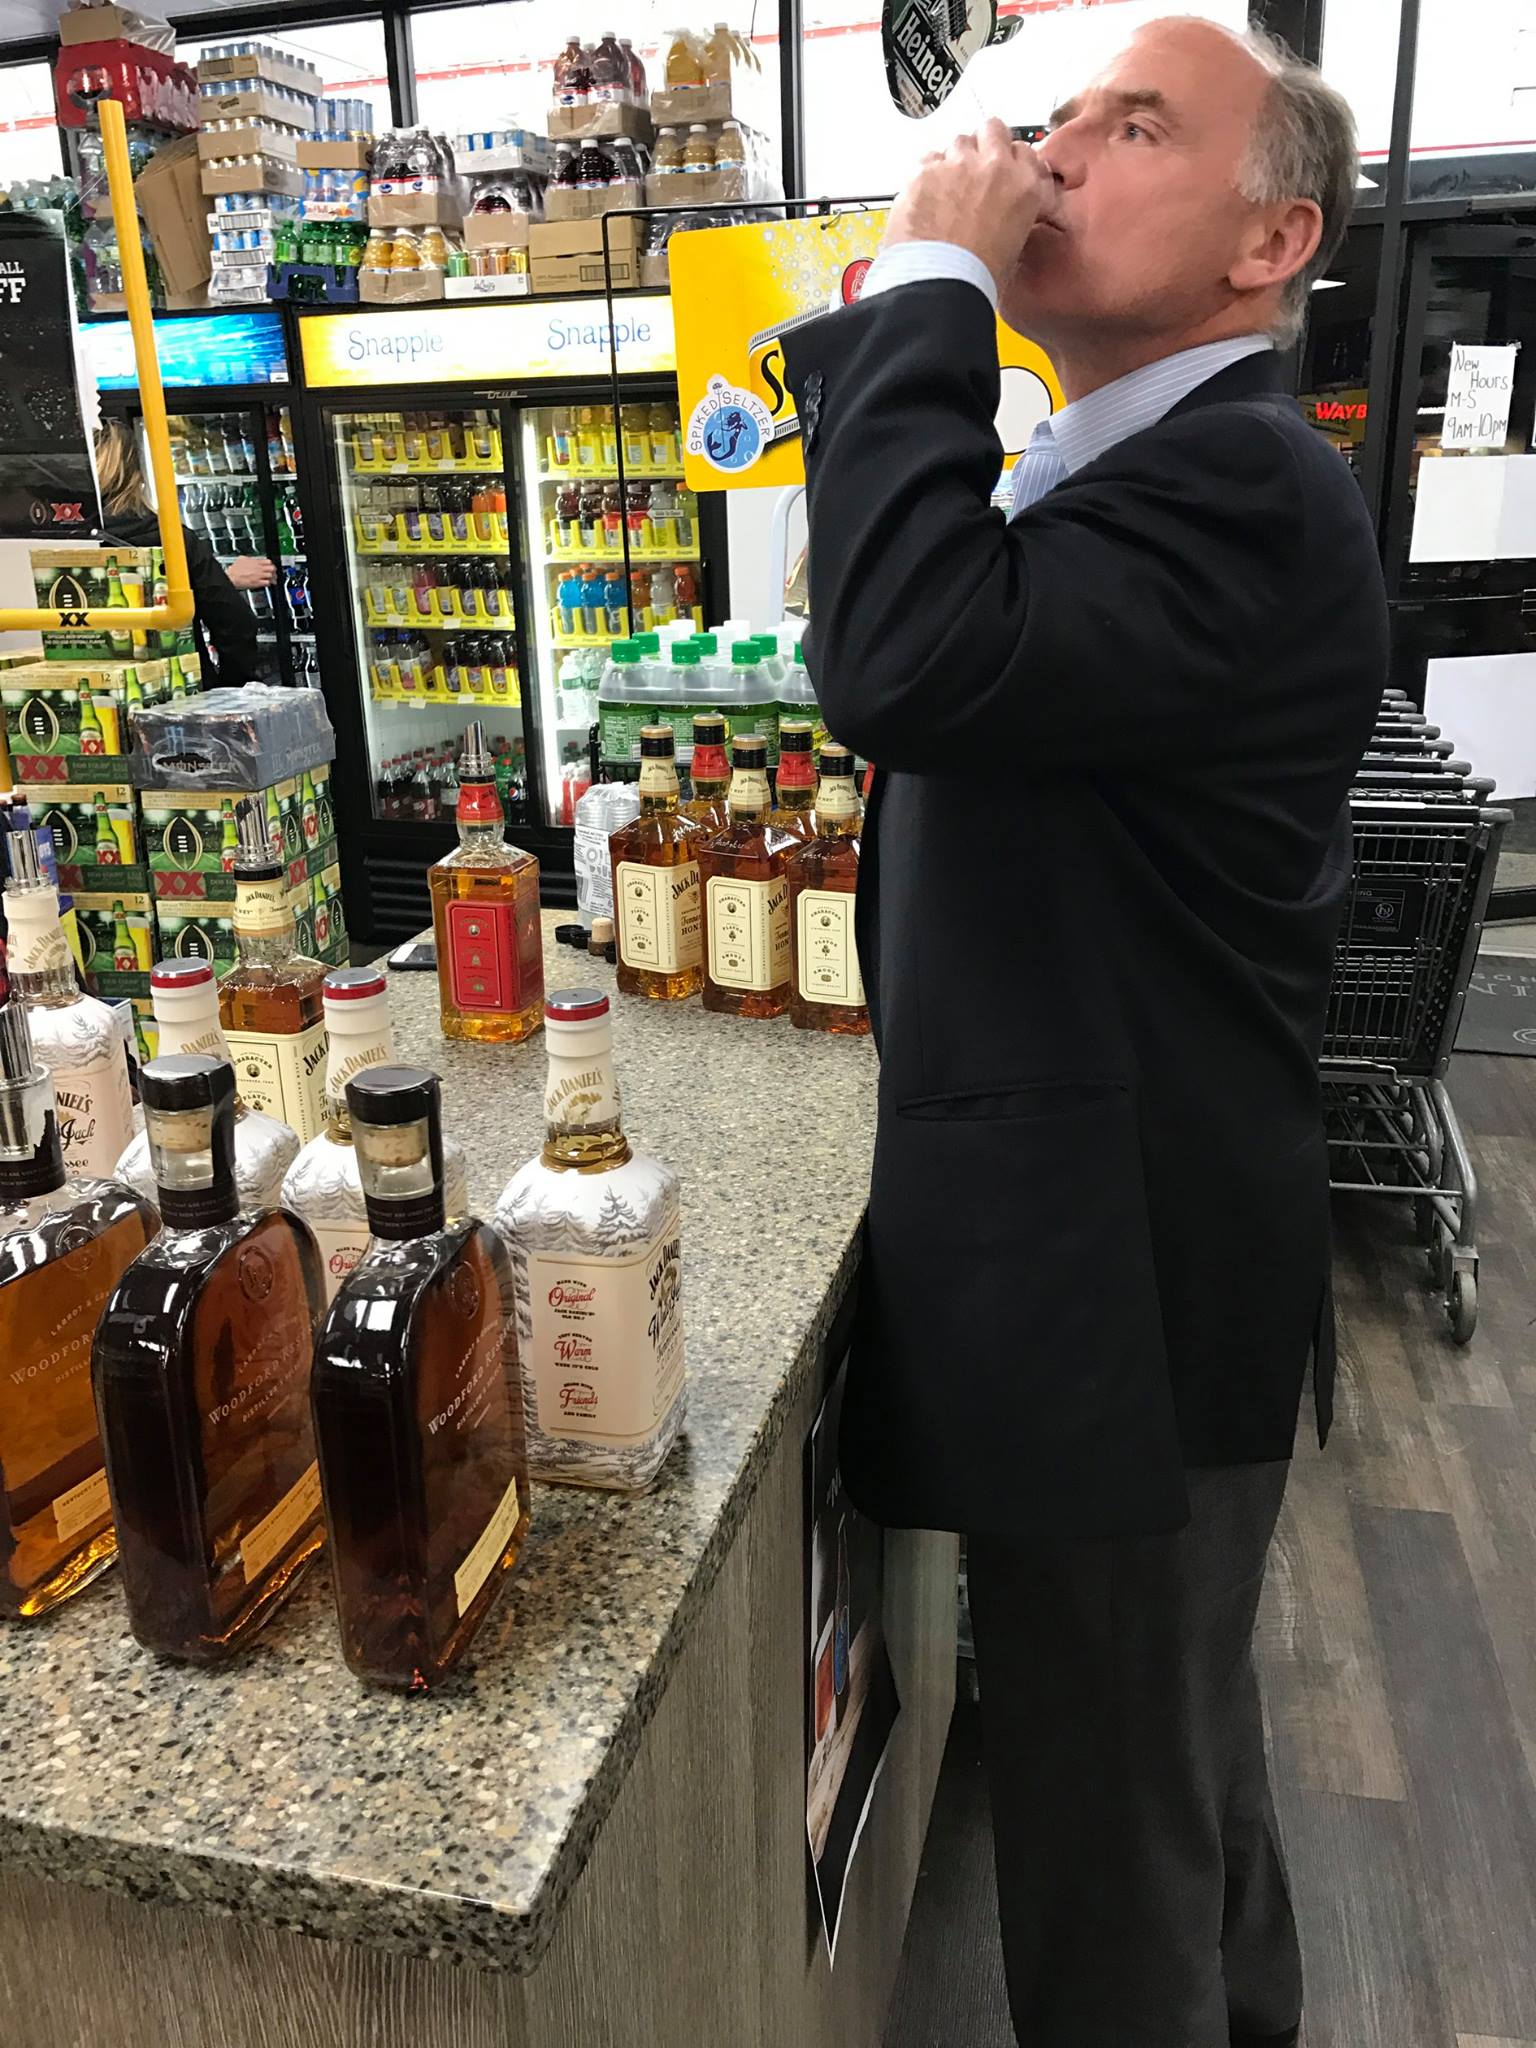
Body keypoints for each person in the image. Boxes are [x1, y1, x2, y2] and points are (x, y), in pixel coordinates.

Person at [783, 19, 1386, 2048]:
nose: (1051, 157)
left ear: (1268, 241)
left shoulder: (1240, 484)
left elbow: (902, 657)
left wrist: (929, 284)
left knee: (1105, 1825)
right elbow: (908, 622)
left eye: (1136, 129)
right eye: (1053, 119)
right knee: (1170, 1747)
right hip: (1134, 1242)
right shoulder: (1138, 466)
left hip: (1124, 1273)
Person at [94, 418, 273, 685]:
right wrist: (226, 690)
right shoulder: (172, 539)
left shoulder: (54, 542)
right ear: (137, 474)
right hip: (180, 688)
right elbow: (235, 622)